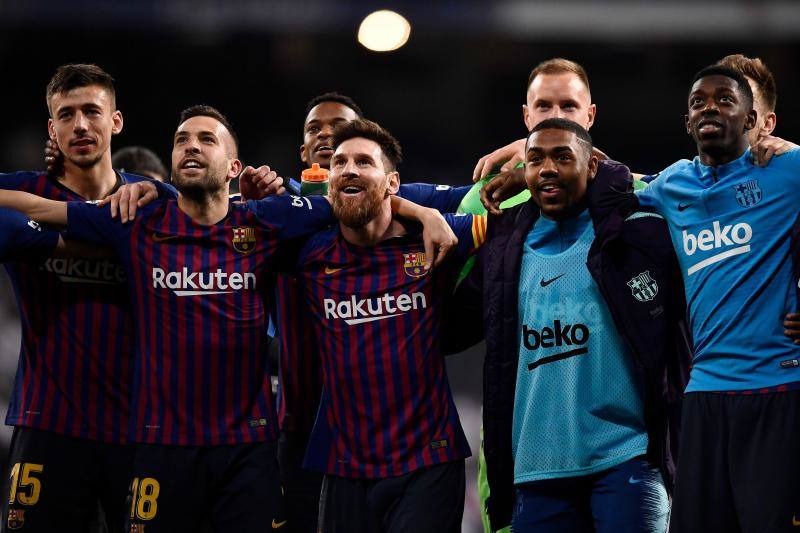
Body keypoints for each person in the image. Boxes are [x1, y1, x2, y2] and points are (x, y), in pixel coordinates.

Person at [461, 117, 686, 532]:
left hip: (626, 459)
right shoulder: (502, 250)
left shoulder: (632, 231)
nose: (548, 169)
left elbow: (661, 185)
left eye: (563, 157)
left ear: (592, 165)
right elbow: (448, 328)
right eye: (535, 160)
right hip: (536, 471)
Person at [283, 118, 482, 532]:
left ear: (392, 183)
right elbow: (217, 213)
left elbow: (516, 210)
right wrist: (158, 189)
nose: (348, 169)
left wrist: (520, 150)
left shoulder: (437, 238)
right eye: (339, 163)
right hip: (344, 467)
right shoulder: (308, 253)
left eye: (363, 162)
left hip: (428, 463)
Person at [634, 65, 800, 533]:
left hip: (778, 389)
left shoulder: (786, 170)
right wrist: (522, 154)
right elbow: (597, 176)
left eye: (725, 100)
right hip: (704, 393)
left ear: (752, 120)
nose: (709, 107)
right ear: (687, 123)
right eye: (698, 102)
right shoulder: (670, 187)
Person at [0, 63, 154, 533]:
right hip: (49, 425)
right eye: (66, 115)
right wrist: (86, 242)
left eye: (92, 111)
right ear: (52, 129)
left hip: (137, 428)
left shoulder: (153, 198)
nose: (80, 125)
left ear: (116, 121)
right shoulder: (22, 188)